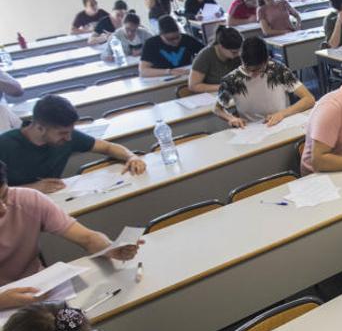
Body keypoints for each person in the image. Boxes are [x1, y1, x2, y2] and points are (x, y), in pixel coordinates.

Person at [0, 161, 141, 293]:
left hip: (37, 287)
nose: (3, 208)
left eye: (5, 196)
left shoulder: (28, 199)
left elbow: (87, 238)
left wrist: (111, 248)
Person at [0, 95, 146, 192]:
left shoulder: (67, 136)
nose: (69, 138)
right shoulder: (5, 145)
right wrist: (32, 188)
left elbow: (107, 147)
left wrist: (131, 156)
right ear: (39, 128)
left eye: (70, 131)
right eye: (62, 134)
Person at [215, 37, 315, 128]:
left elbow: (309, 99)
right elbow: (217, 109)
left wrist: (282, 114)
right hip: (251, 129)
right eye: (247, 69)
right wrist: (231, 118)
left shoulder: (278, 70)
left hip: (282, 123)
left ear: (267, 60)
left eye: (257, 69)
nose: (252, 74)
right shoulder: (231, 79)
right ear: (241, 60)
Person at [139, 15, 204, 77]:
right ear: (161, 35)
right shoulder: (151, 44)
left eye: (177, 37)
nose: (176, 41)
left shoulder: (186, 39)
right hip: (163, 79)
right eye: (170, 39)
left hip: (186, 76)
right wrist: (169, 72)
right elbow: (143, 71)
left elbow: (207, 53)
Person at [188, 26, 243, 93]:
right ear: (221, 46)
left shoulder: (236, 55)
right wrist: (223, 87)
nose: (238, 54)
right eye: (234, 52)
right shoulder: (206, 56)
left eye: (239, 50)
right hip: (213, 96)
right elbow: (193, 86)